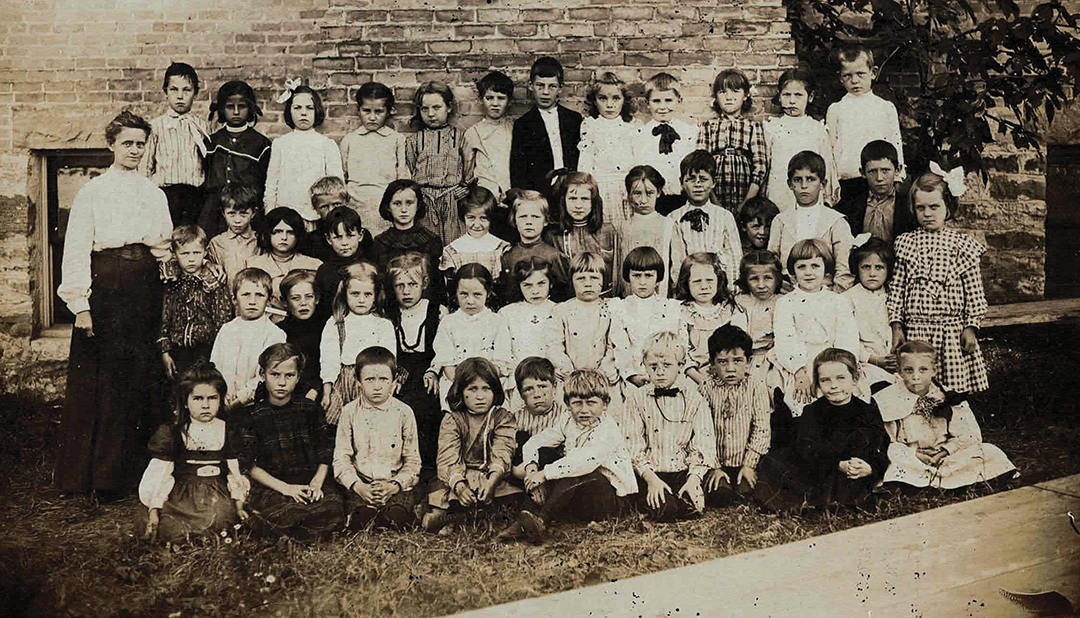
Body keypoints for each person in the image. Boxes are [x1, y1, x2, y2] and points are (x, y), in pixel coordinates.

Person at [56, 110, 174, 500]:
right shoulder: (92, 192)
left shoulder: (154, 193)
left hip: (144, 288)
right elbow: (75, 251)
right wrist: (81, 305)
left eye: (141, 143)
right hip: (106, 287)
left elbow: (162, 249)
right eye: (128, 143)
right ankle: (100, 477)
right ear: (111, 145)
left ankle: (137, 476)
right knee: (105, 381)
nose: (135, 150)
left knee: (141, 376)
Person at [498, 368, 636, 543]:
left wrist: (544, 474)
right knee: (546, 454)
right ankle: (525, 521)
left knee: (574, 471)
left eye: (591, 403)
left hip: (610, 499)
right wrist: (532, 468)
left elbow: (583, 461)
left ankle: (542, 520)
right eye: (577, 403)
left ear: (605, 404)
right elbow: (536, 441)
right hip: (582, 495)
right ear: (568, 404)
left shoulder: (607, 429)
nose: (584, 410)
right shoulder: (568, 421)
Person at [888, 168, 989, 394]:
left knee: (951, 391)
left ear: (948, 207)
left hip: (950, 332)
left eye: (934, 207)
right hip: (916, 330)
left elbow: (974, 292)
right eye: (920, 208)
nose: (927, 213)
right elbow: (897, 289)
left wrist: (970, 326)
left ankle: (952, 424)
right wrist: (897, 325)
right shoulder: (906, 243)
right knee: (916, 386)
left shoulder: (962, 245)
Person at [753, 348, 889, 512]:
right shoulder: (813, 411)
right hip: (823, 468)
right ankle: (817, 500)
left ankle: (837, 499)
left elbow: (881, 445)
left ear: (855, 379)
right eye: (825, 380)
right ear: (817, 383)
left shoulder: (867, 411)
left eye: (841, 378)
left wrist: (870, 468)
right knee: (776, 461)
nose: (834, 386)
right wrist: (837, 464)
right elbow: (806, 449)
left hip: (855, 471)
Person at [876, 341, 1016, 490]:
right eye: (909, 370)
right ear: (899, 371)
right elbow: (886, 441)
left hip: (945, 456)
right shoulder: (887, 399)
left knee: (988, 451)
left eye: (923, 370)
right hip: (911, 456)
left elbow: (968, 435)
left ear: (934, 371)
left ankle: (928, 481)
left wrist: (943, 452)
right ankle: (938, 481)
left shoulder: (946, 396)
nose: (916, 377)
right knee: (894, 460)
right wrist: (914, 454)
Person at [241, 344, 344, 541]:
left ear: (298, 377)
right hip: (275, 484)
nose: (281, 382)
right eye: (275, 375)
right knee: (287, 513)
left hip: (308, 479)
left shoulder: (309, 409)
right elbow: (249, 464)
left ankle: (298, 529)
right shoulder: (253, 415)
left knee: (333, 508)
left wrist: (316, 482)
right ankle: (290, 529)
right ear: (263, 375)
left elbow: (325, 449)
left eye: (289, 376)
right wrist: (286, 488)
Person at [138, 363, 248, 542]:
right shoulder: (173, 432)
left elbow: (234, 473)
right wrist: (154, 509)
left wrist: (239, 503)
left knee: (219, 519)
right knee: (171, 525)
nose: (206, 405)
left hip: (216, 492)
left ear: (220, 400)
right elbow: (160, 475)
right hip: (181, 493)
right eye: (198, 399)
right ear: (185, 402)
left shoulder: (226, 430)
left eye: (212, 398)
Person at [622, 331, 718, 521]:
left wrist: (694, 478)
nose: (660, 371)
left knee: (691, 509)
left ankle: (688, 493)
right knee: (667, 510)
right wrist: (651, 479)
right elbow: (632, 444)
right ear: (645, 366)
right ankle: (655, 500)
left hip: (683, 472)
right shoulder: (635, 399)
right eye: (653, 366)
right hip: (649, 473)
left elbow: (703, 442)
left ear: (681, 366)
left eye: (667, 365)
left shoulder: (694, 399)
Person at [423, 357, 521, 533]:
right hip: (459, 478)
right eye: (472, 389)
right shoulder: (452, 419)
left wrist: (493, 479)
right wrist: (460, 486)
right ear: (460, 391)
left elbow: (503, 450)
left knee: (513, 498)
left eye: (486, 389)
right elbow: (448, 457)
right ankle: (454, 516)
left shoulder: (503, 417)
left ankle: (461, 519)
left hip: (492, 478)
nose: (480, 396)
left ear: (495, 390)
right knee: (447, 496)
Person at [334, 346, 423, 530]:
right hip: (361, 483)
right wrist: (359, 486)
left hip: (394, 483)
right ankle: (361, 515)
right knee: (360, 517)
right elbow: (341, 458)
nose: (377, 386)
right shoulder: (349, 412)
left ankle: (396, 514)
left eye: (383, 379)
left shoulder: (404, 412)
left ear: (393, 381)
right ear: (358, 381)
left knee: (396, 516)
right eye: (369, 379)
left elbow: (413, 460)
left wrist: (394, 486)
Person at [772, 239, 860, 419]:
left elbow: (847, 337)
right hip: (799, 363)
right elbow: (785, 339)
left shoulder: (838, 301)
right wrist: (799, 372)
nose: (809, 272)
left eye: (815, 265)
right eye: (802, 266)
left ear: (825, 269)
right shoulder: (786, 303)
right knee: (799, 401)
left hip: (834, 360)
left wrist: (840, 368)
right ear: (793, 272)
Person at [383, 252, 447, 480]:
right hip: (400, 372)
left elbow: (444, 348)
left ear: (425, 284)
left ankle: (428, 468)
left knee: (429, 406)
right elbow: (386, 349)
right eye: (400, 285)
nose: (406, 291)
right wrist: (394, 374)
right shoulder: (389, 313)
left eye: (412, 284)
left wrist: (435, 371)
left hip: (429, 370)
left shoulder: (437, 311)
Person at [700, 325, 772, 507]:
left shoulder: (756, 386)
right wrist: (714, 466)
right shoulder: (706, 389)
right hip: (716, 461)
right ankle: (718, 480)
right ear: (712, 363)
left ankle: (745, 478)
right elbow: (702, 431)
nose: (730, 369)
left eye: (737, 361)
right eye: (722, 362)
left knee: (749, 494)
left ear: (749, 361)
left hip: (747, 459)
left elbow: (762, 428)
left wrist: (749, 464)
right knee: (719, 496)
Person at [768, 150, 856, 291]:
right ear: (790, 184)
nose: (804, 186)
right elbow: (772, 264)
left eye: (810, 179)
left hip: (826, 294)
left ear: (822, 184)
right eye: (797, 180)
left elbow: (844, 271)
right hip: (789, 294)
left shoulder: (836, 221)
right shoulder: (780, 221)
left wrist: (832, 297)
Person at [320, 261, 396, 423]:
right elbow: (329, 360)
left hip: (373, 380)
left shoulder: (383, 325)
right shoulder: (336, 323)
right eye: (355, 294)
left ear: (375, 295)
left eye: (367, 294)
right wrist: (327, 391)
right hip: (344, 383)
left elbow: (389, 361)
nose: (361, 300)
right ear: (345, 294)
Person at [826, 45, 905, 201]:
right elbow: (831, 148)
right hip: (847, 179)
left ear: (873, 73)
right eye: (847, 75)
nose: (854, 81)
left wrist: (898, 177)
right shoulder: (836, 109)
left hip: (879, 179)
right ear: (841, 77)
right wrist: (832, 182)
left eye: (860, 74)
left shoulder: (885, 108)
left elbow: (895, 143)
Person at [429, 264, 513, 409]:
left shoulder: (497, 321)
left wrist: (481, 386)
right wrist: (466, 387)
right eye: (463, 294)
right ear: (455, 292)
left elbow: (501, 363)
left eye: (477, 295)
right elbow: (448, 365)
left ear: (488, 292)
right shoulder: (449, 322)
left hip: (489, 386)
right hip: (457, 386)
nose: (470, 301)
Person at [158, 225, 234, 379]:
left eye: (196, 253)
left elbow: (222, 321)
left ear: (205, 252)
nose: (191, 258)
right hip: (178, 351)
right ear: (174, 254)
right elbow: (165, 318)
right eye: (185, 253)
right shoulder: (171, 281)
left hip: (207, 351)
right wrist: (165, 351)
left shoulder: (214, 282)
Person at [198, 80, 271, 238]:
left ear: (250, 108)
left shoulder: (261, 144)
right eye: (230, 107)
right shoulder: (211, 142)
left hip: (247, 212)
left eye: (242, 106)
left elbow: (265, 182)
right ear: (222, 109)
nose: (236, 112)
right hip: (214, 213)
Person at [263, 83, 343, 226]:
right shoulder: (280, 144)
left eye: (309, 108)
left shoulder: (326, 144)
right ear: (289, 111)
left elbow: (336, 186)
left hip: (316, 217)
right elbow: (272, 183)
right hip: (286, 218)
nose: (303, 113)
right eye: (297, 108)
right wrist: (271, 214)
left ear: (317, 110)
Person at [139, 62, 208, 226]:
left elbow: (205, 163)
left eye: (186, 90)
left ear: (195, 93)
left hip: (195, 196)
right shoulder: (156, 126)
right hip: (165, 196)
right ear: (165, 92)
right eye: (174, 89)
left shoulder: (202, 126)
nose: (180, 96)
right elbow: (145, 168)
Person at [210, 267, 286, 409]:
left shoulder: (274, 334)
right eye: (245, 295)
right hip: (223, 401)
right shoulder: (227, 329)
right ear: (234, 299)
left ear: (269, 300)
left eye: (259, 295)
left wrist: (240, 398)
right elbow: (216, 365)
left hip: (255, 404)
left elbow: (267, 375)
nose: (252, 301)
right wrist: (223, 393)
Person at [609, 247, 683, 392]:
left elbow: (678, 345)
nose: (642, 282)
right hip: (633, 381)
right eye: (636, 276)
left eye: (648, 275)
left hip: (667, 377)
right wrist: (632, 375)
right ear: (628, 277)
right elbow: (620, 346)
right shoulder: (620, 308)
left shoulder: (671, 308)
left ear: (658, 278)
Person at [340, 81, 408, 237]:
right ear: (359, 110)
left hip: (385, 210)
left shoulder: (397, 140)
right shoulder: (350, 140)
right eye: (366, 111)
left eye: (378, 111)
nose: (372, 117)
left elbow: (402, 177)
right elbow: (342, 175)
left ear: (389, 111)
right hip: (355, 208)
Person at [667, 150, 742, 293]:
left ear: (713, 182)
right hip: (690, 288)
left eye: (703, 179)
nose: (698, 184)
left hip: (720, 287)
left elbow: (734, 256)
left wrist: (732, 288)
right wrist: (682, 290)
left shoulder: (724, 216)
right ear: (681, 183)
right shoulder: (674, 218)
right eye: (691, 179)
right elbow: (677, 261)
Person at [762, 67, 835, 212]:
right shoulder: (771, 128)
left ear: (811, 96)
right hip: (780, 192)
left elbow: (827, 166)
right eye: (787, 95)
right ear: (779, 96)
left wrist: (827, 198)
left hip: (810, 192)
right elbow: (766, 166)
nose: (792, 101)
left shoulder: (817, 129)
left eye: (798, 95)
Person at [510, 56, 582, 200]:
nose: (545, 92)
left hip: (572, 191)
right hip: (540, 194)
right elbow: (518, 169)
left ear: (560, 88)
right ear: (531, 86)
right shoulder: (523, 124)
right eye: (540, 85)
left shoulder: (574, 119)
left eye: (552, 86)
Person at [696, 68, 768, 214]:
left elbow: (760, 166)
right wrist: (714, 202)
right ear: (716, 97)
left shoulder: (753, 126)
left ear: (746, 95)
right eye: (723, 92)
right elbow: (701, 164)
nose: (729, 97)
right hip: (715, 193)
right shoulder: (708, 126)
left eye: (735, 91)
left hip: (745, 192)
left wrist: (747, 202)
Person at [406, 81, 469, 246]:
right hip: (425, 200)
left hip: (452, 199)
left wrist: (465, 187)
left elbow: (469, 167)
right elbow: (411, 167)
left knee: (454, 243)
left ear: (448, 107)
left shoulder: (461, 138)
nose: (430, 114)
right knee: (427, 245)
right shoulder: (414, 140)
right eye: (424, 109)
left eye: (436, 107)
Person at [499, 258, 570, 398]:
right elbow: (505, 352)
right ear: (519, 285)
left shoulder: (560, 310)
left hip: (552, 378)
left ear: (551, 283)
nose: (535, 291)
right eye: (527, 285)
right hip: (519, 378)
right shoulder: (507, 313)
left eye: (541, 284)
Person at [674, 252, 748, 386]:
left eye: (709, 280)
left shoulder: (731, 310)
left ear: (718, 280)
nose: (704, 286)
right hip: (694, 377)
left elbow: (740, 347)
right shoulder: (681, 312)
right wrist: (700, 379)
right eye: (697, 281)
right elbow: (681, 352)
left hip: (729, 373)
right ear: (686, 283)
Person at [552, 252, 620, 398]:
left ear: (603, 280)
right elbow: (554, 344)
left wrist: (603, 372)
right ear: (572, 281)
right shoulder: (562, 310)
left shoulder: (611, 309)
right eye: (581, 278)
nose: (588, 283)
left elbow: (614, 344)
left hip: (603, 379)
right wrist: (569, 371)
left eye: (594, 278)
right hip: (570, 378)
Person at [369, 179, 445, 303]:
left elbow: (436, 283)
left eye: (409, 203)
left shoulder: (431, 240)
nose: (403, 210)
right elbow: (380, 283)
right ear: (388, 206)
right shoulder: (380, 242)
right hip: (390, 306)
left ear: (418, 205)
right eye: (397, 204)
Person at [632, 72, 698, 214]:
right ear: (647, 103)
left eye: (668, 100)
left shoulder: (689, 132)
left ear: (678, 100)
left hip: (683, 198)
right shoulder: (640, 134)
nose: (662, 107)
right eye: (656, 101)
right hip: (653, 200)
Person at [544, 172, 618, 296]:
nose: (578, 205)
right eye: (573, 199)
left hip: (603, 299)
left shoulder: (607, 231)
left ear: (593, 202)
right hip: (568, 301)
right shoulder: (553, 235)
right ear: (564, 200)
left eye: (584, 199)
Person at [578, 72, 637, 228]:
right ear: (594, 101)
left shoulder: (632, 126)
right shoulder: (590, 126)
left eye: (616, 98)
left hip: (626, 189)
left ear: (624, 100)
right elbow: (585, 162)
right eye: (603, 98)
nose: (610, 105)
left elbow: (638, 161)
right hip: (601, 188)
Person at [834, 140, 915, 244]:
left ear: (897, 170)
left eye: (885, 170)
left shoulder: (907, 205)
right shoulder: (851, 206)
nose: (879, 178)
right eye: (872, 171)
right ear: (862, 173)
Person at [246, 206, 322, 317]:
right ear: (268, 233)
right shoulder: (254, 265)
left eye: (290, 232)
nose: (284, 237)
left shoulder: (314, 265)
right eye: (278, 232)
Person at [499, 189, 571, 302]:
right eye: (523, 217)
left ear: (546, 220)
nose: (529, 222)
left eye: (535, 217)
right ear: (514, 220)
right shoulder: (508, 256)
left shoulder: (554, 256)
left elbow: (564, 294)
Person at [844, 237, 897, 389]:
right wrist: (874, 359)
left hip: (894, 362)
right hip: (865, 362)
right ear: (857, 268)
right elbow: (847, 339)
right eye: (866, 267)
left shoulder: (893, 296)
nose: (872, 273)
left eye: (879, 267)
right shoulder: (847, 299)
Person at [616, 165, 673, 298]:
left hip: (661, 296)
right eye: (637, 193)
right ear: (629, 194)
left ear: (659, 192)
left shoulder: (668, 224)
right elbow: (618, 268)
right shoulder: (623, 227)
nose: (643, 200)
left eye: (649, 193)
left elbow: (674, 265)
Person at [735, 250, 785, 396]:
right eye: (754, 279)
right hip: (750, 358)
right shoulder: (740, 301)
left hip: (776, 358)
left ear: (777, 279)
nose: (761, 285)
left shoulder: (782, 301)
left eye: (768, 278)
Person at [439, 185, 511, 285]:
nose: (477, 225)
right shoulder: (453, 250)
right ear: (463, 217)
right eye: (471, 217)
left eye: (483, 218)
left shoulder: (501, 248)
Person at [463, 71, 515, 202]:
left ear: (509, 101)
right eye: (489, 98)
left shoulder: (514, 127)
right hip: (485, 197)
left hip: (512, 195)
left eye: (501, 98)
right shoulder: (473, 133)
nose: (495, 104)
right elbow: (467, 172)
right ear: (481, 100)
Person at [313, 206, 373, 316]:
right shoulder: (324, 271)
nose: (344, 243)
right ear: (328, 239)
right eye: (338, 237)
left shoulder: (370, 268)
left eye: (350, 236)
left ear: (360, 235)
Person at [277, 270, 323, 401]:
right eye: (295, 298)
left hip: (320, 390)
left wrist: (315, 388)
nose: (303, 303)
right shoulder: (279, 331)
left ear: (317, 298)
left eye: (309, 296)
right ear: (285, 302)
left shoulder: (325, 328)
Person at [208, 184, 260, 290]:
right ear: (223, 213)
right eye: (231, 213)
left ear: (253, 213)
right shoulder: (216, 242)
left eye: (243, 214)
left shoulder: (259, 240)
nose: (237, 220)